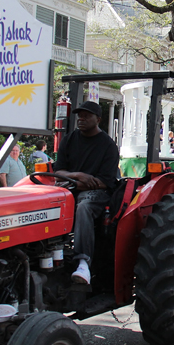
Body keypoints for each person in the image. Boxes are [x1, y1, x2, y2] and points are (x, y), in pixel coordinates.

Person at [54, 101, 119, 285]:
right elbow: (58, 173)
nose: (81, 119)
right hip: (71, 188)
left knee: (84, 206)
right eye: (79, 115)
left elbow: (103, 182)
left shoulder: (108, 146)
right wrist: (78, 175)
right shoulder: (69, 140)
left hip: (99, 193)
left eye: (86, 116)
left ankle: (83, 263)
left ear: (98, 119)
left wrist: (71, 181)